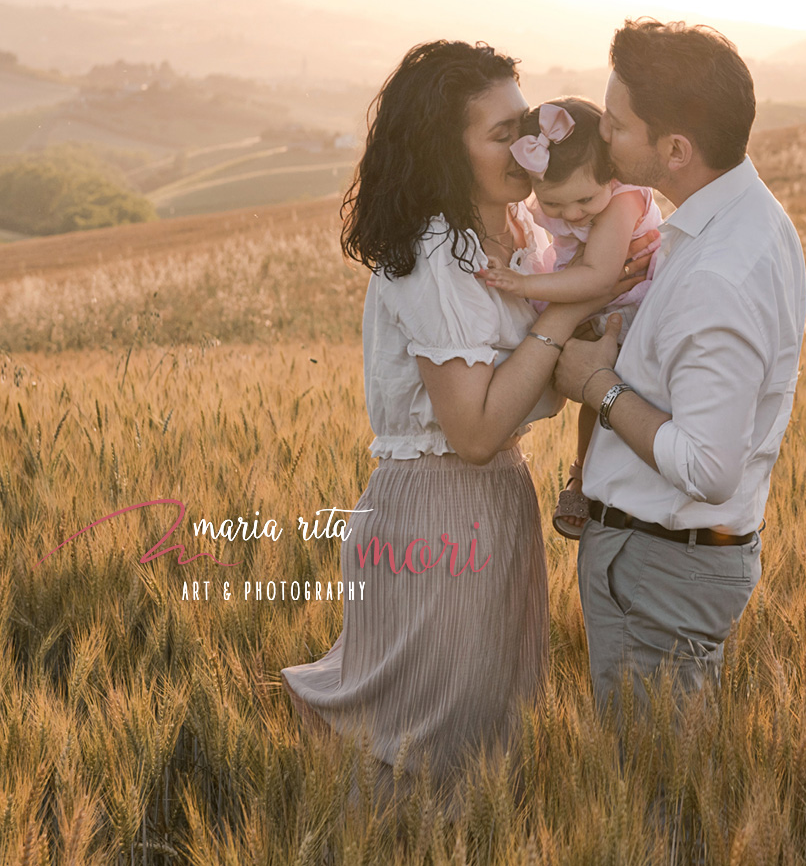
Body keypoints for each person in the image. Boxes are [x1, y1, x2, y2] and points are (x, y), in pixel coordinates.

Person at [279, 40, 653, 801]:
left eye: (530, 123)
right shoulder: (434, 255)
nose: (531, 145)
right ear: (445, 151)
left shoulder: (526, 232)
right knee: (426, 753)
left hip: (497, 507)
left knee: (489, 743)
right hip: (437, 511)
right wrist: (577, 304)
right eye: (502, 131)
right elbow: (475, 432)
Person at [551, 18, 806, 717]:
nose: (600, 134)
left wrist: (594, 386)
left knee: (655, 802)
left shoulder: (719, 271)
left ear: (674, 149)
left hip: (660, 570)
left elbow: (708, 465)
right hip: (663, 563)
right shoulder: (737, 223)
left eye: (614, 123)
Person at [475, 96, 663, 540]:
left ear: (610, 175)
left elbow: (598, 277)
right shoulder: (570, 196)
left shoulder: (622, 200)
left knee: (607, 390)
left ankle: (582, 475)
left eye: (584, 200)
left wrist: (524, 285)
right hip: (589, 298)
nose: (573, 215)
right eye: (555, 205)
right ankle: (587, 475)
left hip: (628, 305)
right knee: (586, 386)